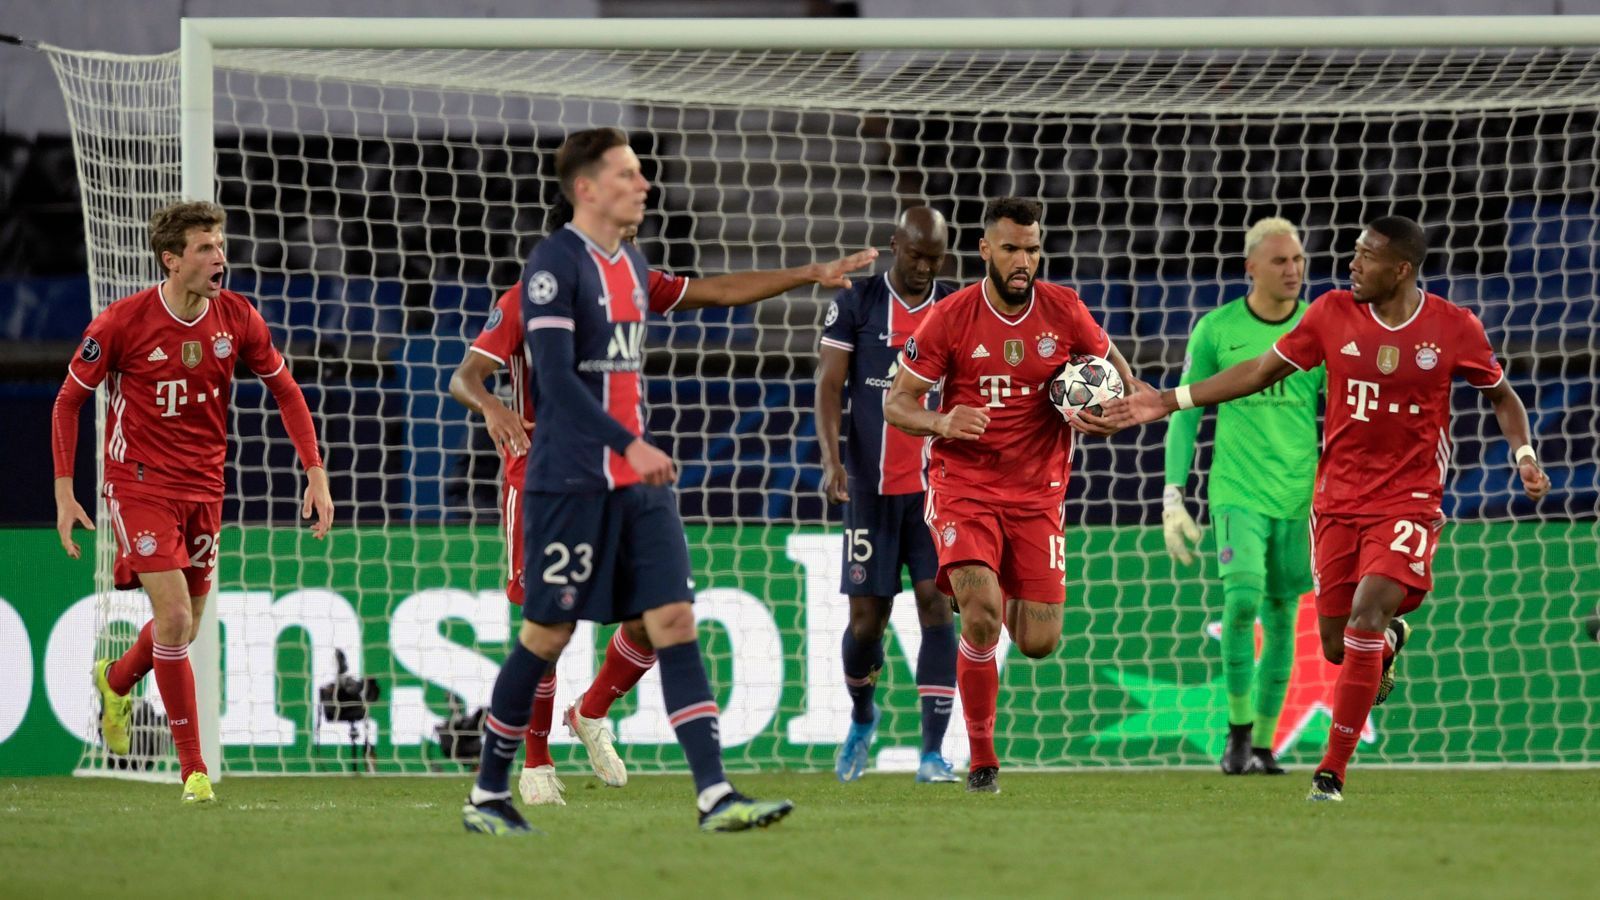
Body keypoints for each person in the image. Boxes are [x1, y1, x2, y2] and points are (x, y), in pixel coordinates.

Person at [1107, 215, 1550, 802]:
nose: (1351, 264)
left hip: (1409, 501)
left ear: (1401, 270)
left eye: (1366, 256)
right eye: (1354, 252)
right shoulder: (1330, 315)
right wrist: (1169, 399)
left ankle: (1330, 771)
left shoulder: (1453, 327)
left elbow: (1500, 394)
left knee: (1366, 614)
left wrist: (1522, 452)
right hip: (1337, 502)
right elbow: (1260, 371)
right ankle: (1388, 642)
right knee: (1342, 644)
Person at [451, 205, 876, 806]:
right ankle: (537, 762)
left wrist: (811, 272)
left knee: (659, 616)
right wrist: (493, 408)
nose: (635, 212)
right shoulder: (528, 296)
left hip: (622, 480)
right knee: (548, 625)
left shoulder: (630, 282)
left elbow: (722, 291)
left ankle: (592, 711)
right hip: (544, 480)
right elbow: (466, 376)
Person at [53, 200, 334, 803]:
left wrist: (315, 470)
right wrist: (62, 490)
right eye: (206, 248)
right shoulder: (121, 323)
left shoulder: (238, 317)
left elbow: (286, 391)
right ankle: (193, 771)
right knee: (176, 620)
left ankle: (116, 680)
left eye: (221, 245)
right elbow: (66, 402)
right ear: (172, 260)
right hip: (139, 483)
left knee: (185, 625)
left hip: (205, 489)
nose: (220, 257)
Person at [882, 197, 1141, 794]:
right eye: (1010, 248)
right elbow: (896, 403)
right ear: (985, 251)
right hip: (965, 488)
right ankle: (982, 760)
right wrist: (945, 423)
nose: (1023, 260)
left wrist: (1124, 398)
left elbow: (1106, 362)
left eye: (1031, 248)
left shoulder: (1064, 309)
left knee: (1038, 642)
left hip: (1039, 494)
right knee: (982, 618)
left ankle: (988, 592)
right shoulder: (950, 317)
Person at [1162, 217, 1324, 775]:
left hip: (1300, 496)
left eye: (1299, 260)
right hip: (1237, 491)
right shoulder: (1216, 330)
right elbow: (1184, 413)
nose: (1293, 270)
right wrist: (1172, 494)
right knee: (1243, 600)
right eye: (1280, 261)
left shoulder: (1319, 327)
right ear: (1251, 266)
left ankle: (1262, 743)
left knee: (1283, 617)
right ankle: (1236, 731)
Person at [816, 206, 960, 784]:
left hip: (935, 492)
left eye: (935, 258)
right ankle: (862, 716)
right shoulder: (858, 302)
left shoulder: (953, 309)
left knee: (936, 604)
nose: (924, 267)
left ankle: (931, 754)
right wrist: (831, 462)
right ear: (895, 243)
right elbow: (829, 386)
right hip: (870, 489)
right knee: (867, 625)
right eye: (916, 254)